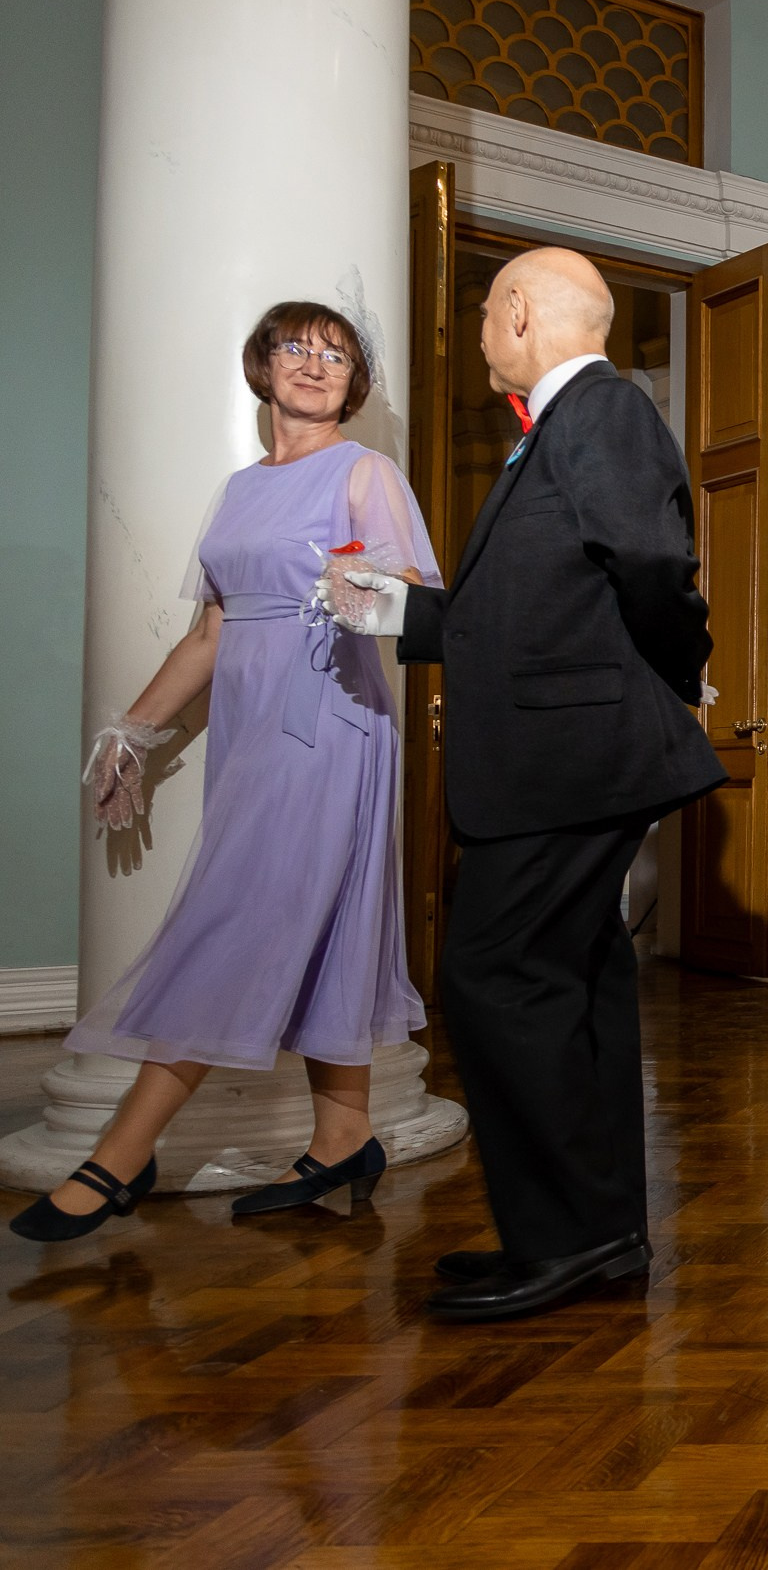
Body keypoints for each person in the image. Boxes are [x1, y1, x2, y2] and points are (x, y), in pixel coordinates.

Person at [323, 247, 723, 1320]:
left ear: (516, 310)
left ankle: (563, 1242)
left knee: (493, 979)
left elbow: (651, 569)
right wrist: (393, 610)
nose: (483, 335)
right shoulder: (555, 430)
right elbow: (534, 610)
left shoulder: (602, 408)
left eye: (488, 316)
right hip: (564, 757)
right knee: (574, 983)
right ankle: (596, 1237)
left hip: (572, 759)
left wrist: (673, 672)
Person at [12, 305, 439, 1243]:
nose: (316, 365)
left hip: (329, 720)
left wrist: (357, 582)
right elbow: (210, 631)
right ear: (262, 366)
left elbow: (418, 606)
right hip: (251, 730)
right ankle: (344, 1135)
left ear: (353, 383)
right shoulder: (242, 490)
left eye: (337, 355)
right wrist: (131, 731)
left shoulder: (365, 472)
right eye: (297, 348)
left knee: (237, 915)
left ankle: (122, 1152)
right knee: (309, 915)